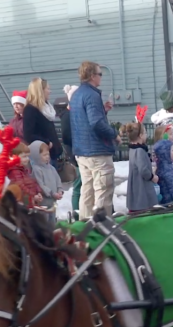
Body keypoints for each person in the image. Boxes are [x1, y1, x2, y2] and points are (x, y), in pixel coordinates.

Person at [70, 61, 117, 219]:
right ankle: (102, 229)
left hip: (82, 151)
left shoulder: (76, 95)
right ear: (92, 76)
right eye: (100, 74)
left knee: (87, 191)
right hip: (97, 152)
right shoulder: (92, 94)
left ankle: (85, 228)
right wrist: (113, 134)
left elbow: (85, 120)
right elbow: (96, 123)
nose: (101, 77)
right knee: (103, 191)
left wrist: (102, 110)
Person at [22, 77, 63, 163]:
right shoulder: (30, 109)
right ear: (40, 91)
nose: (50, 91)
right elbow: (28, 135)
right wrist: (47, 142)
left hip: (54, 154)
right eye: (48, 89)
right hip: (43, 156)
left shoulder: (46, 108)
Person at [122, 122, 158, 212]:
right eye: (145, 133)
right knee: (144, 208)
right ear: (141, 135)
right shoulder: (140, 151)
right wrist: (153, 177)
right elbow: (143, 170)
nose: (146, 135)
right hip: (142, 187)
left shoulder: (132, 149)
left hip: (135, 184)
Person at [61, 85, 82, 214]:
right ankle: (76, 212)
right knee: (78, 184)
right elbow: (67, 137)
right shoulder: (67, 115)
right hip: (76, 154)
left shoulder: (75, 113)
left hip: (79, 152)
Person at [152, 124, 173, 204]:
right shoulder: (166, 169)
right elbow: (172, 186)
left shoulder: (165, 164)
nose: (172, 136)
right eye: (170, 134)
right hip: (171, 201)